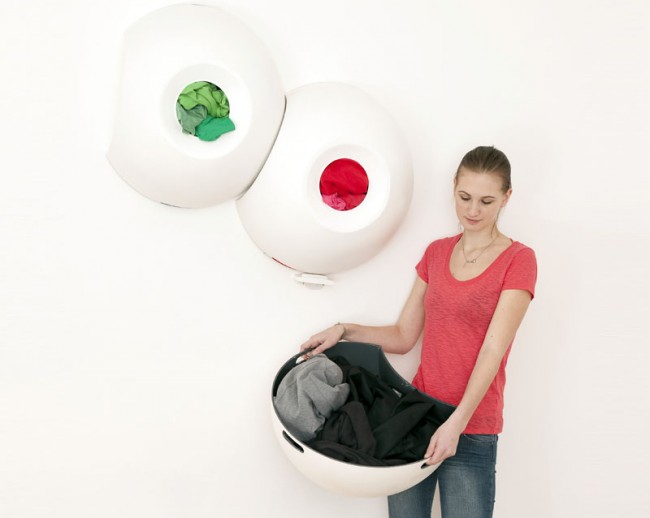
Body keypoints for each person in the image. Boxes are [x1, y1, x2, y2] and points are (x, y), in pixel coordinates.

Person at [299, 146, 537, 518]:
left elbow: (493, 350)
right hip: (416, 417)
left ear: (506, 197)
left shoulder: (518, 260)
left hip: (471, 427)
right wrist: (343, 331)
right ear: (453, 186)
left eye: (487, 201)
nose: (473, 210)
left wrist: (455, 425)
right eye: (465, 197)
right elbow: (403, 336)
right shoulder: (436, 253)